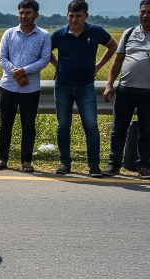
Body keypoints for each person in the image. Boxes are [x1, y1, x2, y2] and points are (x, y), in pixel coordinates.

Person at [102, 0, 150, 179]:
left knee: (146, 131)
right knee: (118, 130)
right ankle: (114, 164)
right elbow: (118, 60)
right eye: (142, 11)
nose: (145, 15)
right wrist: (110, 85)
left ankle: (143, 166)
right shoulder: (129, 32)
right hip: (126, 89)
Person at [49, 0, 118, 177]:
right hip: (62, 85)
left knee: (91, 125)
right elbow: (46, 51)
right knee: (63, 125)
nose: (74, 20)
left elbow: (113, 46)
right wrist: (58, 65)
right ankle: (65, 163)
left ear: (86, 16)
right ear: (67, 15)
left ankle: (94, 165)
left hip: (85, 85)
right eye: (71, 16)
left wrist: (98, 66)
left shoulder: (95, 32)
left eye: (78, 16)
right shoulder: (59, 35)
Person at [0, 0, 52, 173]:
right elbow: (2, 58)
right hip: (8, 86)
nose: (23, 16)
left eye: (27, 13)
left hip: (31, 88)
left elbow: (45, 59)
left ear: (36, 15)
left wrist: (24, 71)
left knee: (28, 125)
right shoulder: (9, 33)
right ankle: (2, 159)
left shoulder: (43, 35)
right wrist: (17, 74)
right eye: (21, 12)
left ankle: (26, 161)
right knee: (5, 125)